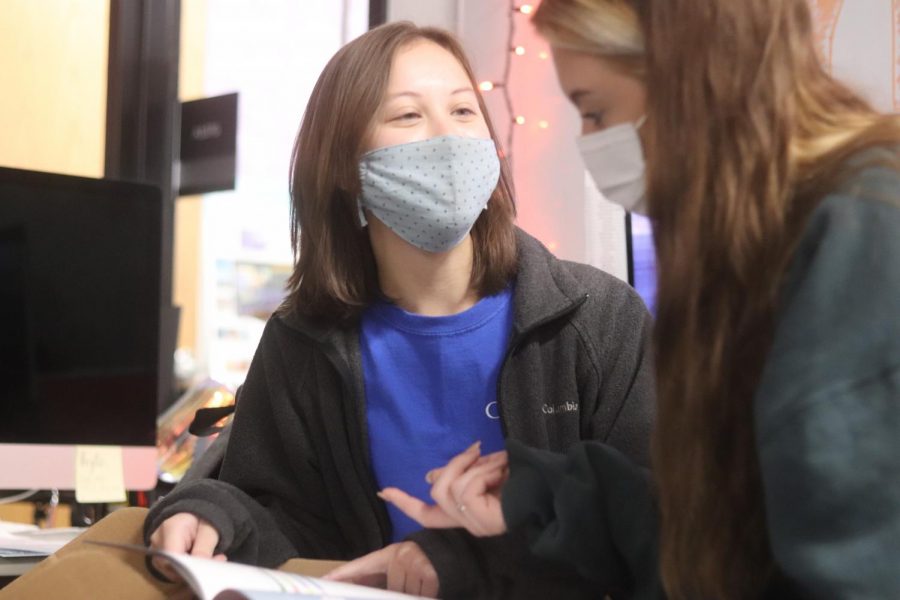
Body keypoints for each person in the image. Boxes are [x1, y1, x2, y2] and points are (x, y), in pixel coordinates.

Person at [367, 1, 900, 599]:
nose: (589, 141)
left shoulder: (865, 238)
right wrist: (543, 498)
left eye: (595, 111)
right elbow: (717, 539)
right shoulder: (739, 262)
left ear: (691, 74)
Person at [145, 21, 655, 600]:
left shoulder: (598, 319)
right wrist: (210, 515)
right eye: (409, 116)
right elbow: (287, 520)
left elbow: (656, 530)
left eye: (465, 112)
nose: (449, 139)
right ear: (344, 164)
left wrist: (470, 564)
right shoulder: (301, 341)